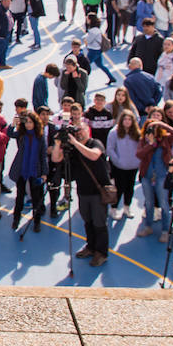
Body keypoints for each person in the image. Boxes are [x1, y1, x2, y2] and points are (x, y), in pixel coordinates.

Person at [52, 104, 110, 267]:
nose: (79, 134)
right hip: (83, 192)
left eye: (81, 131)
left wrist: (75, 143)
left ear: (87, 130)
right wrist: (58, 143)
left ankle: (102, 252)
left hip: (98, 192)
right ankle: (91, 247)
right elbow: (56, 159)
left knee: (100, 224)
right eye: (77, 132)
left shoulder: (94, 143)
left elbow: (93, 156)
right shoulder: (74, 148)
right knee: (88, 221)